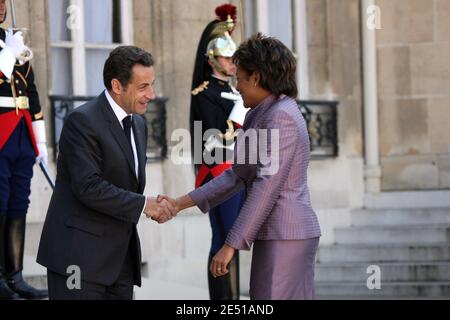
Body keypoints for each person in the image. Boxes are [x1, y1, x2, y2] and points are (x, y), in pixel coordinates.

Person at [167, 33, 322, 300]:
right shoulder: (262, 112)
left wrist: (230, 245)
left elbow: (266, 186)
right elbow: (236, 175)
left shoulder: (281, 116)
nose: (236, 85)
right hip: (276, 234)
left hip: (287, 234)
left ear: (257, 77)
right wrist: (178, 204)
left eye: (239, 77)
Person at [36, 46, 175, 300]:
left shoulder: (139, 125)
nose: (151, 95)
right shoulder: (82, 121)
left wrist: (151, 204)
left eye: (152, 85)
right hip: (78, 260)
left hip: (120, 262)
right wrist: (145, 205)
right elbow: (88, 187)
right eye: (143, 87)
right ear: (117, 85)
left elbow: (125, 184)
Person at [189, 4, 247, 300]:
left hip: (240, 172)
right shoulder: (204, 94)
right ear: (213, 59)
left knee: (233, 240)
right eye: (227, 57)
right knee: (224, 239)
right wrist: (237, 116)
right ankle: (223, 301)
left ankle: (232, 299)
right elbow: (212, 139)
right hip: (219, 172)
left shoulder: (236, 91)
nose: (233, 63)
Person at [0, 0, 49, 300]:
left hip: (21, 132)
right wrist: (7, 55)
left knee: (19, 202)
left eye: (4, 1)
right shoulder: (9, 48)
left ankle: (14, 275)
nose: (1, 7)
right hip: (0, 130)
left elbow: (31, 92)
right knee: (0, 202)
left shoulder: (13, 41)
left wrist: (40, 140)